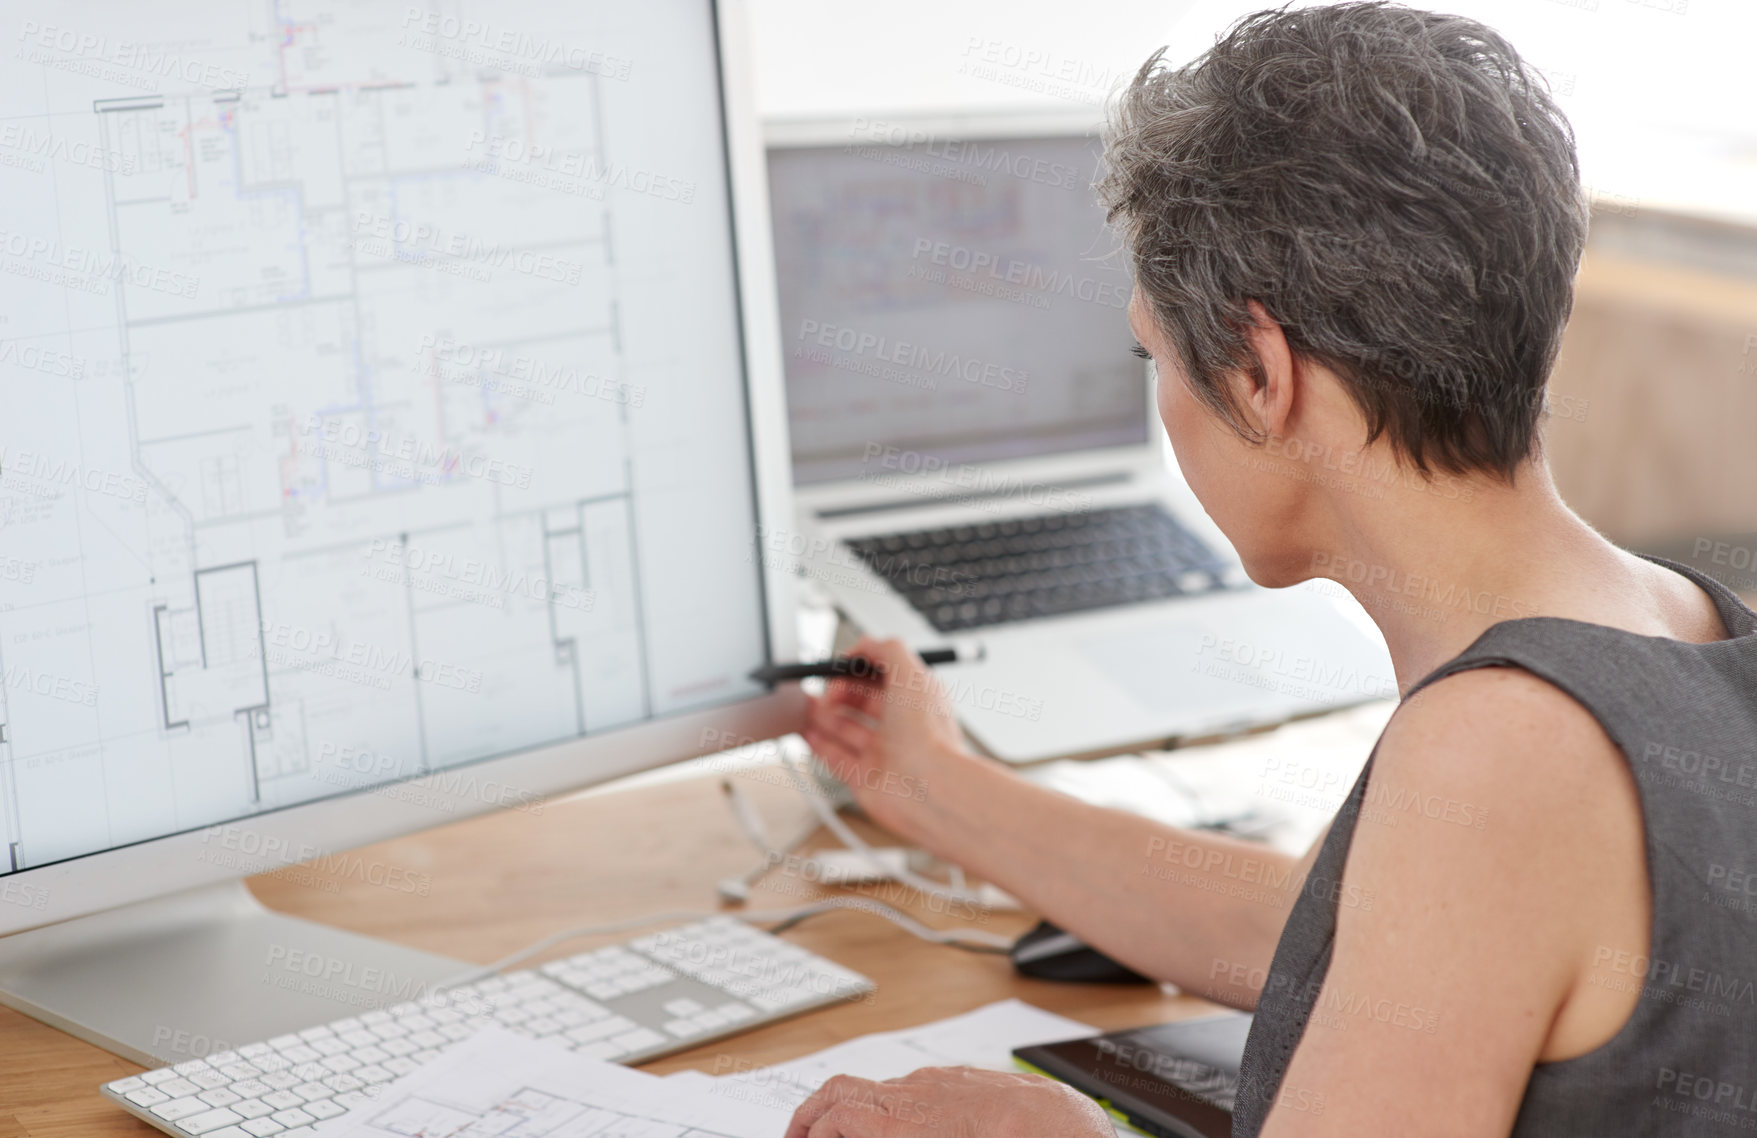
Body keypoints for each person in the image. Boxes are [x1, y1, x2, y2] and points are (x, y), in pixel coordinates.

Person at [782, 3, 1757, 1136]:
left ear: (1256, 373)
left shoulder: (1505, 749)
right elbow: (1322, 940)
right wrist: (931, 785)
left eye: (1156, 356)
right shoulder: (1684, 625)